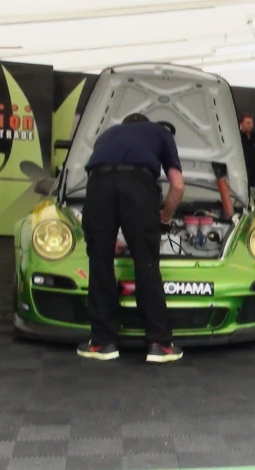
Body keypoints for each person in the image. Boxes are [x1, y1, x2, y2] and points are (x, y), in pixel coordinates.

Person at [78, 112, 186, 363]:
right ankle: (159, 343)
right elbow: (178, 186)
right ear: (147, 124)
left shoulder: (106, 135)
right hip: (138, 185)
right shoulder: (160, 132)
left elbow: (108, 185)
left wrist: (110, 236)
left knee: (99, 261)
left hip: (98, 184)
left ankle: (103, 343)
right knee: (146, 262)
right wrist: (165, 218)